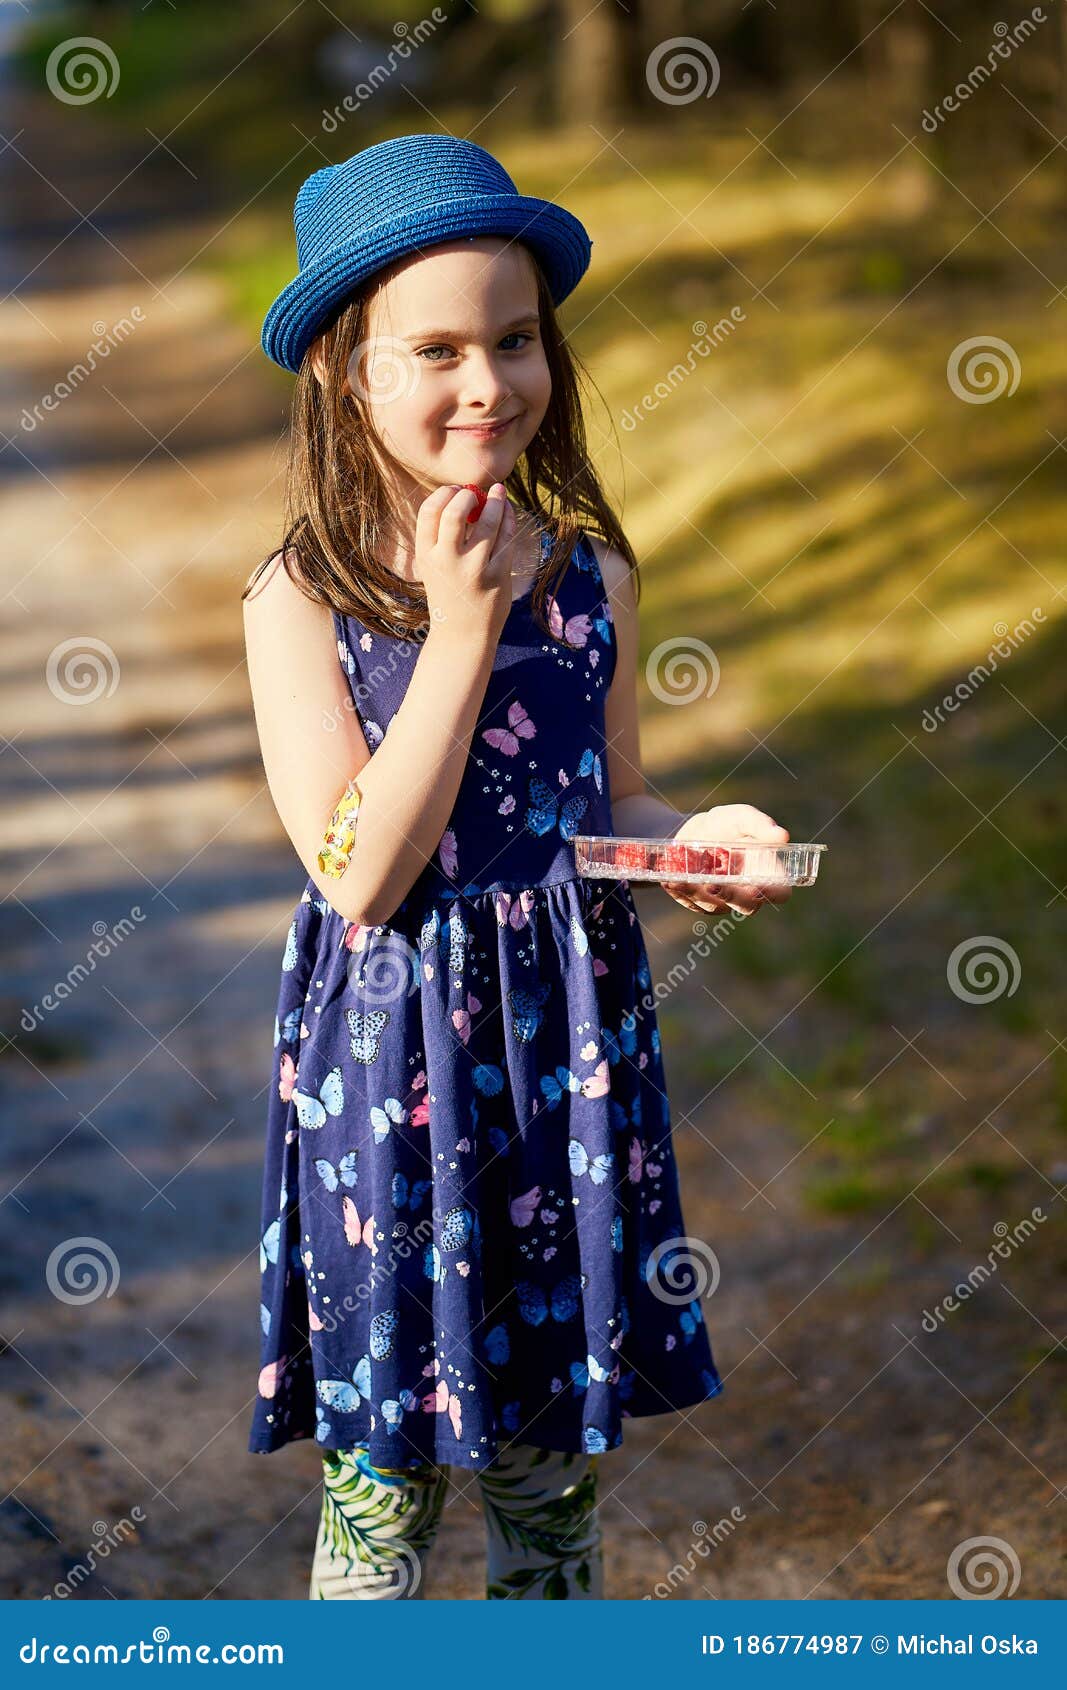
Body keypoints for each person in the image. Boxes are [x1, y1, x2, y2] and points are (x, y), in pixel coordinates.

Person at [242, 132, 791, 1600]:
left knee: (554, 1490)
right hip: (394, 1090)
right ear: (346, 375)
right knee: (386, 1499)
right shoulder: (301, 600)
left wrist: (692, 843)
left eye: (516, 338)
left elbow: (599, 807)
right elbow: (358, 871)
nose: (489, 382)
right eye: (435, 349)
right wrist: (462, 627)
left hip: (562, 1072)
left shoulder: (594, 576)